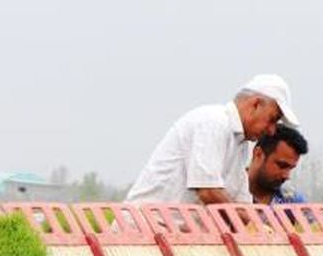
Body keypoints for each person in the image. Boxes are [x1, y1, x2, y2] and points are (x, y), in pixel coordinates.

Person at [126, 74, 300, 205]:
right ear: (255, 104)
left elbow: (241, 203)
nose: (271, 130)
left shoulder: (240, 145)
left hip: (175, 238)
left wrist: (262, 226)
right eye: (272, 119)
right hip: (141, 234)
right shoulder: (213, 122)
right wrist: (256, 225)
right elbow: (208, 191)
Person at [248, 124, 309, 205]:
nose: (286, 176)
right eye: (282, 165)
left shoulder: (293, 202)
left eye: (291, 168)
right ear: (258, 154)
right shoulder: (230, 192)